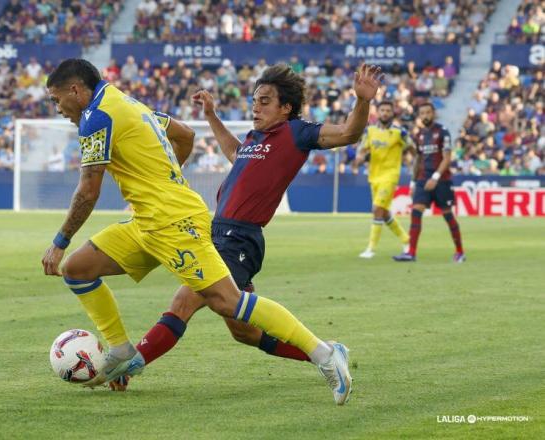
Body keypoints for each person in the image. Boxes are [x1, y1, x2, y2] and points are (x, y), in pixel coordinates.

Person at [40, 59, 380, 405]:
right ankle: (121, 349)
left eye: (56, 100)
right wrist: (165, 175)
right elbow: (187, 135)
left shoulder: (97, 117)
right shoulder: (128, 102)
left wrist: (59, 242)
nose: (58, 109)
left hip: (189, 225)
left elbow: (88, 190)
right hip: (153, 220)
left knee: (222, 302)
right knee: (78, 270)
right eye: (255, 101)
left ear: (75, 90)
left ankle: (324, 354)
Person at [393, 102, 465, 262]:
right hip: (422, 180)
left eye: (428, 112)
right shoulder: (419, 135)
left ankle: (460, 252)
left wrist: (435, 178)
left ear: (434, 114)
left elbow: (447, 158)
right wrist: (413, 183)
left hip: (441, 180)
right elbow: (418, 159)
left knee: (448, 215)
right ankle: (411, 252)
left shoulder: (443, 132)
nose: (425, 116)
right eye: (422, 113)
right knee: (416, 212)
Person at [354, 101, 413, 259]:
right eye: (383, 110)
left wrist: (413, 160)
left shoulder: (399, 132)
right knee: (384, 213)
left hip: (390, 176)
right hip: (374, 176)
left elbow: (413, 148)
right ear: (378, 112)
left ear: (392, 113)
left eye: (388, 110)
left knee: (376, 209)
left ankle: (370, 248)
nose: (385, 113)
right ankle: (407, 240)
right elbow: (362, 149)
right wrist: (359, 157)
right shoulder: (370, 131)